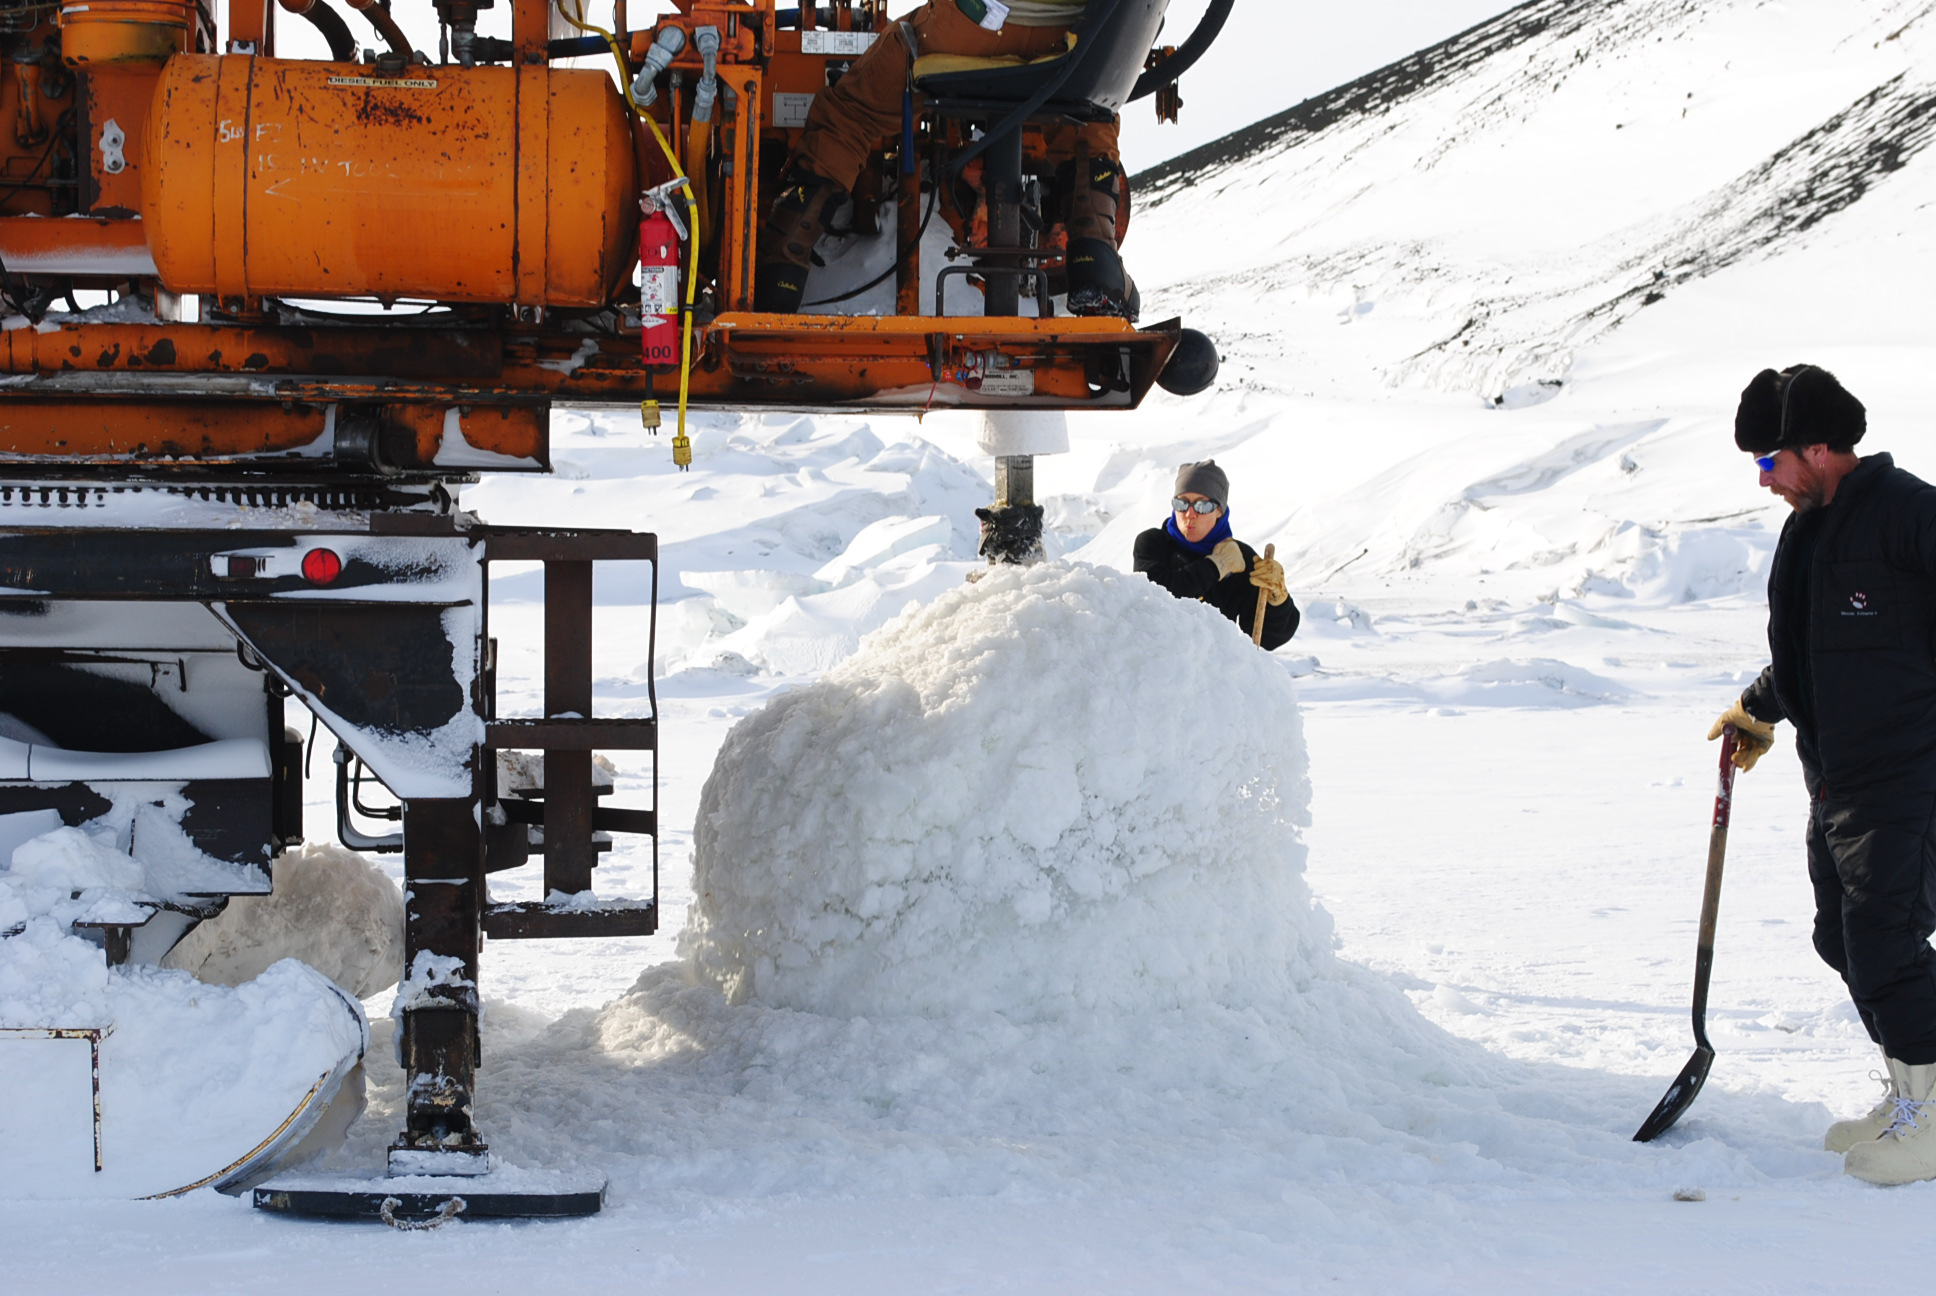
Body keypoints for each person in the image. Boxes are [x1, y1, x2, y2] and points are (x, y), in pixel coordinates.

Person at [1706, 363, 1936, 1184]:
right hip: (1838, 776)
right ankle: (1911, 1090)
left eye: (1769, 463)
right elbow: (1808, 649)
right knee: (1841, 938)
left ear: (1814, 448)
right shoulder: (1810, 531)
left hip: (1910, 773)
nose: (1764, 482)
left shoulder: (1910, 514)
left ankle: (1935, 1116)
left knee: (1885, 941)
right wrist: (1759, 707)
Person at [755, 0, 1132, 318]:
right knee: (1088, 113)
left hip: (978, 24)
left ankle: (781, 274)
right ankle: (1095, 264)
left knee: (851, 111)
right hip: (1076, 37)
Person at [1134, 460, 1298, 649]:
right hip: (1159, 662)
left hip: (1212, 670)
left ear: (1219, 511)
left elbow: (1264, 638)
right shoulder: (1153, 543)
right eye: (1181, 503)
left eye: (1202, 506)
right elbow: (1155, 599)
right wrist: (1215, 566)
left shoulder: (1240, 558)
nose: (1190, 514)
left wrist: (1277, 600)